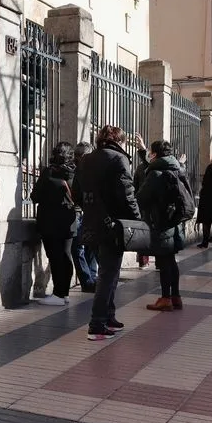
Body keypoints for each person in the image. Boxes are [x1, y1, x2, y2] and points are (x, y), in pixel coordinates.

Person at [72, 125, 141, 341]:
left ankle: (109, 316)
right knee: (108, 275)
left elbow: (77, 194)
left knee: (108, 273)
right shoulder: (119, 159)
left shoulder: (86, 160)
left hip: (91, 223)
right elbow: (127, 194)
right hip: (113, 225)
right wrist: (137, 218)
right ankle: (97, 324)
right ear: (119, 140)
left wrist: (92, 209)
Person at [138, 141, 193, 311]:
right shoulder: (178, 168)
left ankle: (165, 298)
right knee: (171, 260)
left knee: (163, 261)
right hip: (176, 222)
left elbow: (141, 198)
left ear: (154, 154)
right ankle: (176, 296)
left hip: (161, 222)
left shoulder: (156, 174)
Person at [30, 142, 79, 306]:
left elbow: (35, 196)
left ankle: (58, 294)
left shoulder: (49, 172)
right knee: (66, 256)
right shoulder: (75, 172)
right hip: (70, 219)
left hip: (51, 221)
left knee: (55, 257)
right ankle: (64, 293)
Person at [71, 142, 97, 292]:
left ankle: (89, 280)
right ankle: (90, 279)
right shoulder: (83, 170)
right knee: (85, 247)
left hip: (81, 212)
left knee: (83, 247)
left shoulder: (81, 170)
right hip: (83, 212)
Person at [133, 134, 152, 269]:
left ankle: (144, 260)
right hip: (148, 204)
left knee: (144, 231)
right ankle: (144, 260)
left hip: (143, 203)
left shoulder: (142, 167)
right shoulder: (144, 167)